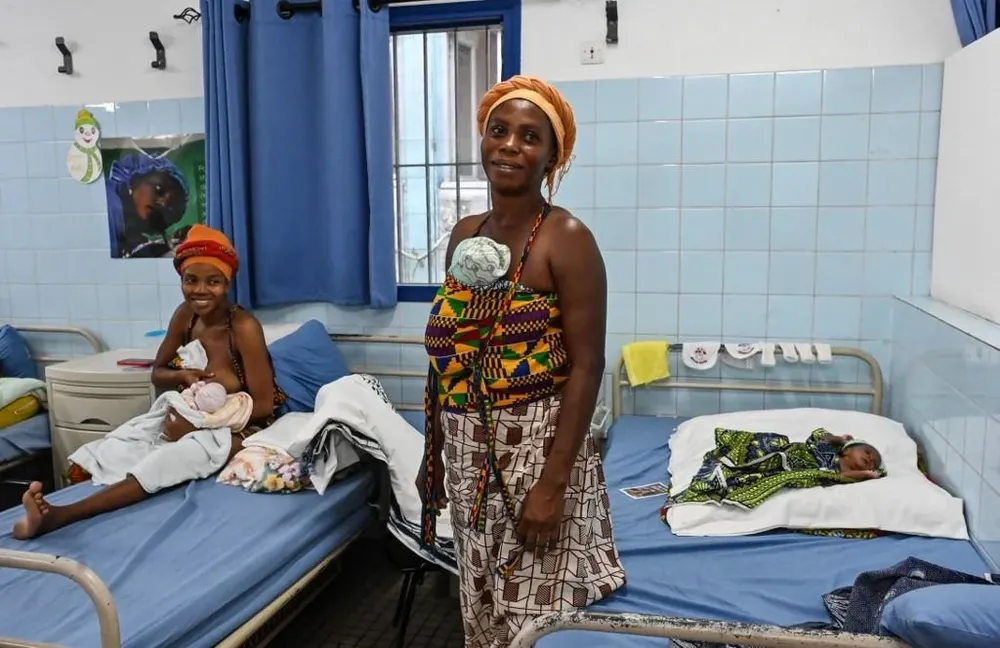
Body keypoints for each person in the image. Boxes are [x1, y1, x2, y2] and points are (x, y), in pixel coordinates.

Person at [417, 75, 626, 647]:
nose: (509, 145)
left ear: (552, 156)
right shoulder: (465, 234)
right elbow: (451, 350)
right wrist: (432, 458)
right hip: (466, 450)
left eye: (529, 137)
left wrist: (553, 485)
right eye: (498, 131)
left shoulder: (567, 238)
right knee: (481, 594)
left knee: (538, 614)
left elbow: (587, 366)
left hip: (538, 447)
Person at [13, 225, 286, 540]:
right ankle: (73, 493)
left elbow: (264, 405)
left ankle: (60, 516)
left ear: (227, 284)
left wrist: (198, 427)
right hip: (186, 414)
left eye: (213, 282)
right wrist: (182, 376)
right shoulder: (186, 317)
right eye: (190, 280)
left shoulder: (243, 328)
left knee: (167, 461)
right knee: (116, 444)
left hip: (241, 428)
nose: (200, 291)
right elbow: (158, 372)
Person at [664, 428, 886, 512]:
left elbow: (841, 477)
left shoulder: (835, 471)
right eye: (866, 453)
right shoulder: (828, 449)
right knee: (764, 445)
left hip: (798, 469)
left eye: (873, 462)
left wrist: (866, 475)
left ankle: (725, 475)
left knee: (755, 475)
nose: (869, 460)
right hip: (788, 453)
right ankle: (732, 461)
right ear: (847, 451)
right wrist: (839, 438)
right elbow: (819, 435)